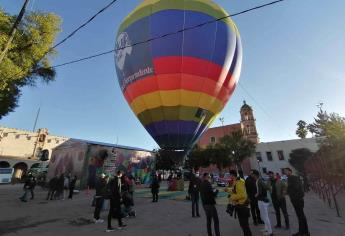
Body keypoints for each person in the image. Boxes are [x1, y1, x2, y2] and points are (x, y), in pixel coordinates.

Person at [225, 170, 252, 236]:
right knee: (243, 225)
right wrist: (228, 190)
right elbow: (235, 191)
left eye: (230, 175)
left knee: (245, 226)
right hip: (240, 206)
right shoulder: (236, 181)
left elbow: (242, 195)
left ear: (232, 175)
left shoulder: (239, 182)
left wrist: (231, 197)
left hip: (242, 206)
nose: (229, 176)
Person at [285, 168, 310, 236]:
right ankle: (304, 231)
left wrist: (288, 190)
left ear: (290, 171)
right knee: (300, 215)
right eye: (285, 172)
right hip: (296, 199)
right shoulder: (290, 178)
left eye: (287, 171)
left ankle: (303, 232)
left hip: (297, 200)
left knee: (300, 215)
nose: (285, 172)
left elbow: (296, 187)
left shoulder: (293, 178)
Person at [252, 170, 273, 236]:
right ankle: (266, 228)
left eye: (252, 174)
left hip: (262, 200)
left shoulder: (259, 181)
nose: (251, 175)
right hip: (261, 200)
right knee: (263, 216)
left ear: (255, 175)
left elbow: (260, 191)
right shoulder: (258, 180)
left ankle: (270, 232)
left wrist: (256, 194)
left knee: (265, 217)